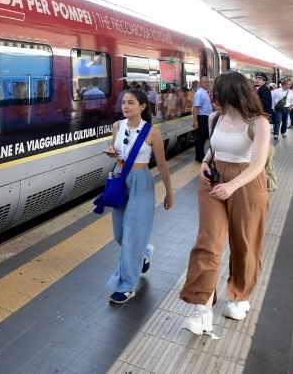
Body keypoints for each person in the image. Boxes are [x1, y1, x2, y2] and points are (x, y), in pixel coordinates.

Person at [180, 72, 271, 335]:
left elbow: (258, 164)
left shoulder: (258, 123)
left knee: (245, 242)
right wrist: (206, 163)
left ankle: (239, 296)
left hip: (246, 184)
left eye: (215, 91)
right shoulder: (215, 118)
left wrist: (232, 186)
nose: (211, 96)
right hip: (214, 181)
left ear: (231, 92)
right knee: (208, 242)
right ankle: (201, 308)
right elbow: (214, 148)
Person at [105, 89, 174, 304]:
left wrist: (169, 192)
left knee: (132, 235)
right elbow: (119, 157)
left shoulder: (152, 132)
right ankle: (144, 251)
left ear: (142, 106)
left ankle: (126, 285)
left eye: (131, 103)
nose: (125, 106)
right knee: (120, 235)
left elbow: (162, 164)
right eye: (124, 102)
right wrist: (114, 155)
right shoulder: (117, 126)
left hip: (141, 183)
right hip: (120, 179)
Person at [192, 76, 213, 162]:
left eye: (208, 82)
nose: (207, 84)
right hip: (202, 118)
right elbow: (195, 108)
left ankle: (199, 157)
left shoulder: (206, 92)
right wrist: (195, 121)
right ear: (200, 83)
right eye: (204, 82)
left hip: (207, 117)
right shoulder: (199, 93)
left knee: (203, 138)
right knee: (200, 138)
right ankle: (200, 157)